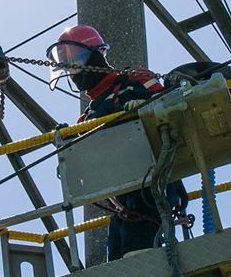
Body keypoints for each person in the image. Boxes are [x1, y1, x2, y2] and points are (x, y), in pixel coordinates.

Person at [46, 25, 188, 261]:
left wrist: (143, 106)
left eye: (77, 60)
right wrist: (69, 143)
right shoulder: (87, 117)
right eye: (68, 66)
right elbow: (81, 162)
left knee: (138, 240)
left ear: (96, 54)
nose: (74, 71)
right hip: (122, 198)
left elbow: (166, 103)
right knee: (116, 252)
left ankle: (142, 268)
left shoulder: (133, 80)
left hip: (152, 179)